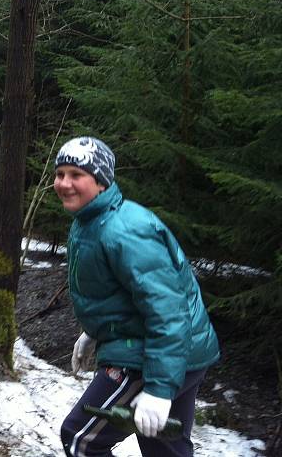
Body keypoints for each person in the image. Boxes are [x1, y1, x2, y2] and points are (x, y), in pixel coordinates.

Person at [55, 136, 220, 457]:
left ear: (101, 181)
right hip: (176, 352)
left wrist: (158, 390)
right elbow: (120, 291)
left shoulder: (125, 230)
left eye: (76, 175)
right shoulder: (91, 221)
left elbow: (169, 311)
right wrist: (94, 330)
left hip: (151, 356)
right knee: (165, 450)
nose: (64, 183)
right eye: (60, 174)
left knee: (81, 439)